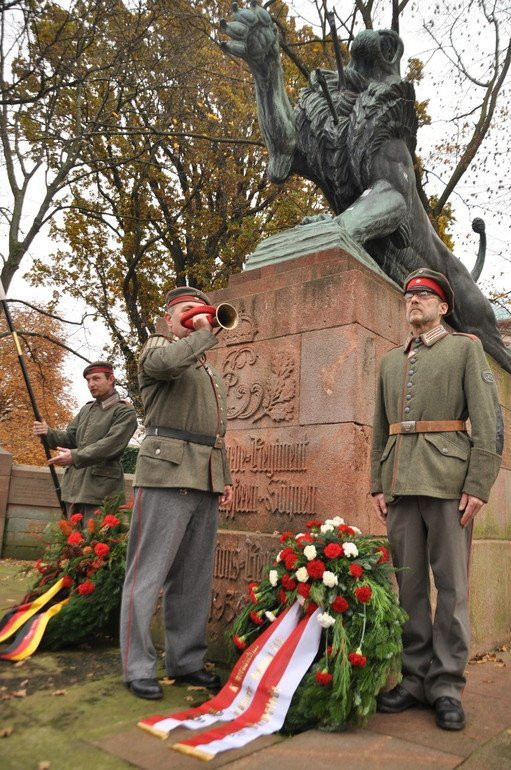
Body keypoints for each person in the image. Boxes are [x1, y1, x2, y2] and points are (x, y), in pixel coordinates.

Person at [371, 268, 503, 731]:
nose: (414, 300)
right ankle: (414, 678)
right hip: (400, 482)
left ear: (443, 306)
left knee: (452, 588)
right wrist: (376, 483)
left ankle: (446, 685)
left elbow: (487, 421)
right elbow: (379, 427)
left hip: (449, 483)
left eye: (424, 295)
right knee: (408, 586)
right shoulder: (390, 362)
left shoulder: (465, 349)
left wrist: (478, 484)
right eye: (408, 295)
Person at [120, 286, 233, 700]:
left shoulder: (206, 368)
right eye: (187, 310)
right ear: (169, 318)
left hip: (204, 476)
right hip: (165, 473)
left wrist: (225, 478)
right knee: (147, 575)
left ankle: (185, 661)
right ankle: (136, 668)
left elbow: (215, 432)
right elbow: (167, 364)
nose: (197, 314)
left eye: (200, 309)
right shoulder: (157, 348)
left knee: (193, 579)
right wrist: (203, 331)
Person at [33, 361, 137, 523]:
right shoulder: (86, 409)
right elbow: (70, 439)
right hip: (73, 489)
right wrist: (48, 432)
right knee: (71, 546)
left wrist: (74, 457)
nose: (91, 384)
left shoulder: (124, 411)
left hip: (101, 492)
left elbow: (110, 445)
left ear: (110, 379)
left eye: (96, 379)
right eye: (88, 380)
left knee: (96, 545)